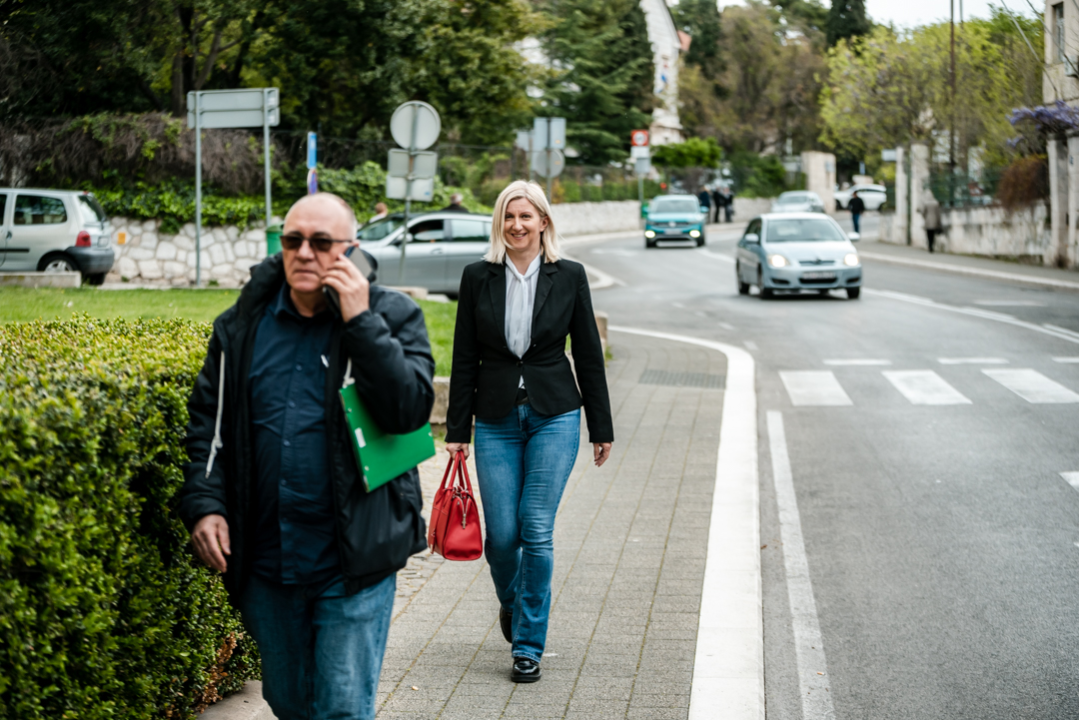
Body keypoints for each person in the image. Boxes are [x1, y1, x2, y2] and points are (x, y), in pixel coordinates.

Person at [177, 192, 434, 720]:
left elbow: (408, 411)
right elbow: (209, 423)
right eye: (292, 240)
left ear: (350, 249)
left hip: (353, 558)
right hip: (267, 559)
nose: (304, 252)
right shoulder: (242, 325)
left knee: (342, 709)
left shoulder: (392, 314)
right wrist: (205, 504)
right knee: (290, 703)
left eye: (321, 242)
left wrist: (361, 321)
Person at [445, 180, 614, 684]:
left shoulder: (570, 276)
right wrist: (457, 429)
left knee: (535, 527)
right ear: (499, 222)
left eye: (526, 216)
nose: (516, 225)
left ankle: (528, 645)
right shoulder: (478, 276)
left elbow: (588, 353)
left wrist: (600, 426)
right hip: (495, 418)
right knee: (501, 537)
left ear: (543, 221)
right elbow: (463, 356)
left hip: (554, 414)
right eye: (509, 215)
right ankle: (515, 602)